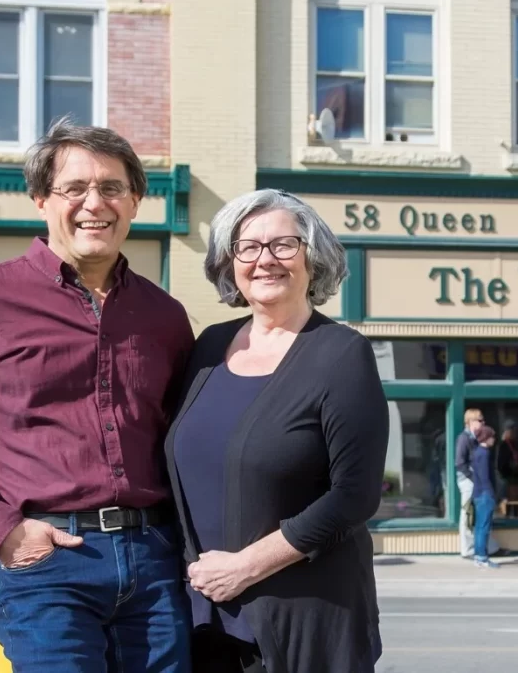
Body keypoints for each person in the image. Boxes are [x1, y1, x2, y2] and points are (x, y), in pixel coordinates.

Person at [0, 119, 194, 672]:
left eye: (112, 188)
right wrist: (2, 531)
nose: (94, 204)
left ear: (135, 202)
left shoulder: (165, 317)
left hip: (155, 563)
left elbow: (184, 441)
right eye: (74, 188)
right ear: (41, 199)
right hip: (48, 563)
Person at [163, 189, 388, 673]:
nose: (265, 260)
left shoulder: (342, 353)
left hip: (302, 616)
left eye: (284, 244)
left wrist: (245, 567)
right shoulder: (209, 346)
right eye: (248, 247)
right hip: (205, 617)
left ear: (313, 256)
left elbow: (355, 495)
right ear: (230, 263)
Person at [455, 409, 500, 557]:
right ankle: (468, 549)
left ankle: (487, 548)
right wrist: (473, 477)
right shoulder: (464, 438)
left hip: (477, 481)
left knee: (482, 516)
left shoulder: (477, 439)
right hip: (469, 481)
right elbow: (460, 462)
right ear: (471, 421)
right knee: (468, 515)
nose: (483, 423)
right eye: (480, 420)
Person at [471, 426, 500, 569]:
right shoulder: (484, 453)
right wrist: (491, 493)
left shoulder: (476, 452)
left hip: (477, 493)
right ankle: (482, 557)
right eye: (492, 437)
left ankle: (478, 555)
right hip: (484, 494)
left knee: (479, 527)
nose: (494, 439)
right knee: (484, 526)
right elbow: (485, 477)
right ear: (486, 438)